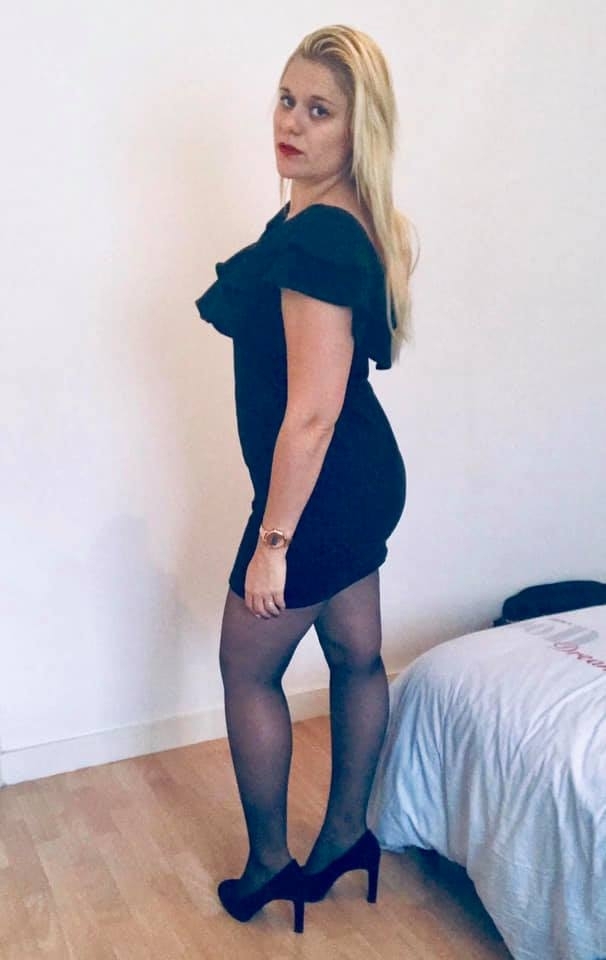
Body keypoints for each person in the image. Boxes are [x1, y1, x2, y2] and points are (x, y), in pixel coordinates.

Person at [195, 24, 417, 934]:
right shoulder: (333, 212)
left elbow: (313, 414)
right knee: (357, 653)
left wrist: (273, 543)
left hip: (322, 489)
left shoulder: (322, 235)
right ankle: (346, 841)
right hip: (359, 480)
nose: (290, 122)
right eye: (287, 100)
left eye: (320, 110)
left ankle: (269, 869)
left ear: (358, 130)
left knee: (246, 668)